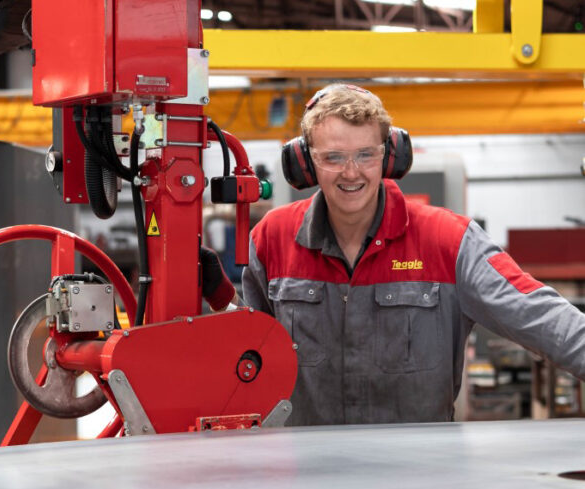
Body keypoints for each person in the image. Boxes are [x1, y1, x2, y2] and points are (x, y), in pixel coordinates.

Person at [204, 83, 585, 426]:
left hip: (419, 475)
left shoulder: (449, 241)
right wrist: (220, 296)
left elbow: (542, 317)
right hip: (308, 473)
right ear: (305, 163)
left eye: (366, 155)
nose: (351, 173)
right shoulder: (273, 238)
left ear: (389, 157)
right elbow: (254, 350)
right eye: (333, 157)